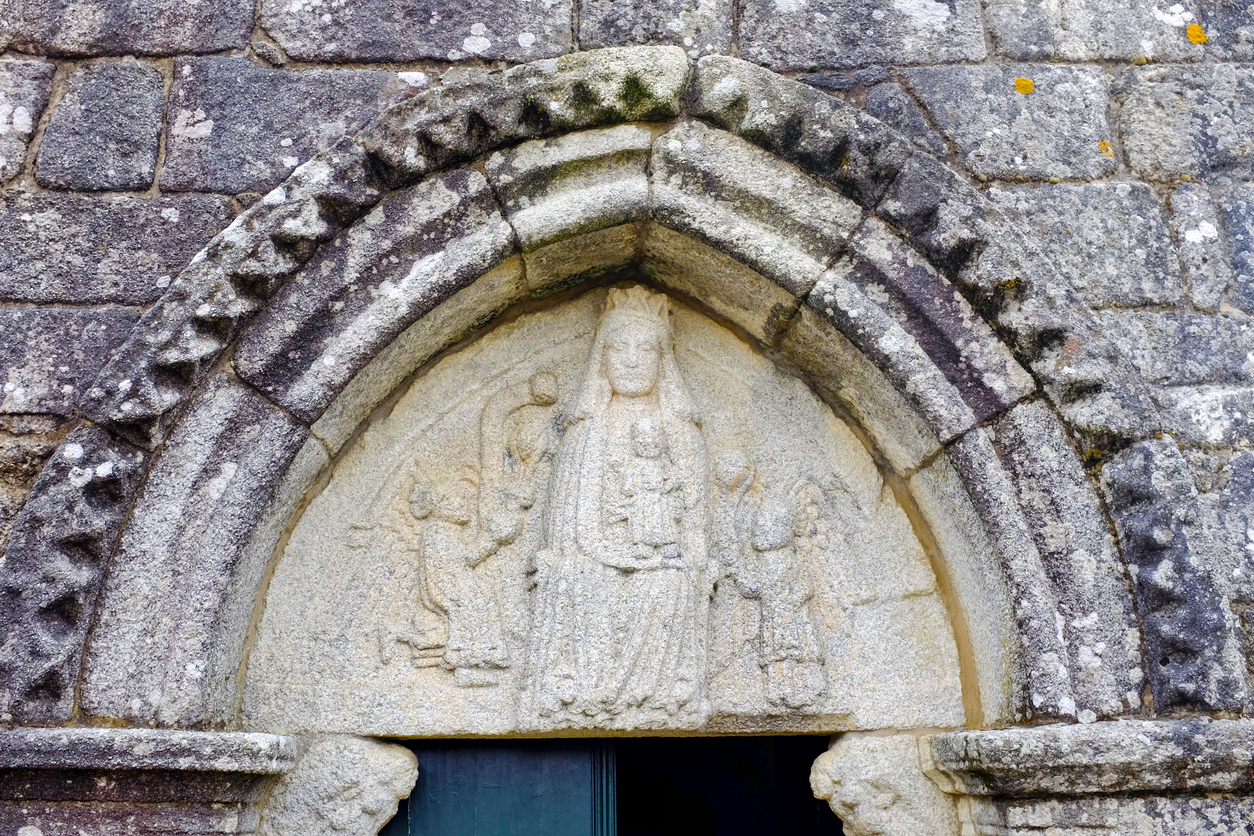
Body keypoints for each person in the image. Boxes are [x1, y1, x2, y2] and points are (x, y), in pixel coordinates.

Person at [527, 286, 710, 724]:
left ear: (663, 360)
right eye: (618, 348)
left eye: (645, 349)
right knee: (576, 576)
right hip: (591, 558)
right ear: (601, 359)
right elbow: (568, 529)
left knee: (672, 582)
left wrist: (683, 556)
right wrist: (608, 554)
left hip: (660, 560)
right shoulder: (585, 430)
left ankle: (659, 693)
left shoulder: (682, 431)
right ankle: (581, 691)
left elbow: (694, 522)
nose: (630, 360)